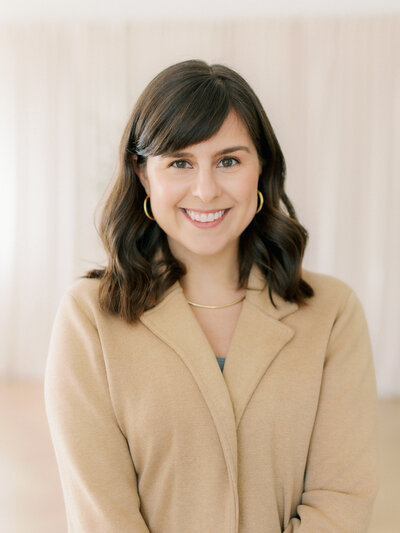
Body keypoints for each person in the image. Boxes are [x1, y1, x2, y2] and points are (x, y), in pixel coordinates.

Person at [44, 59, 379, 533]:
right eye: (180, 162)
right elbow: (104, 515)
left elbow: (342, 500)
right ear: (143, 174)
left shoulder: (332, 312)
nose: (205, 190)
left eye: (228, 161)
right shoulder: (90, 317)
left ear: (260, 169)